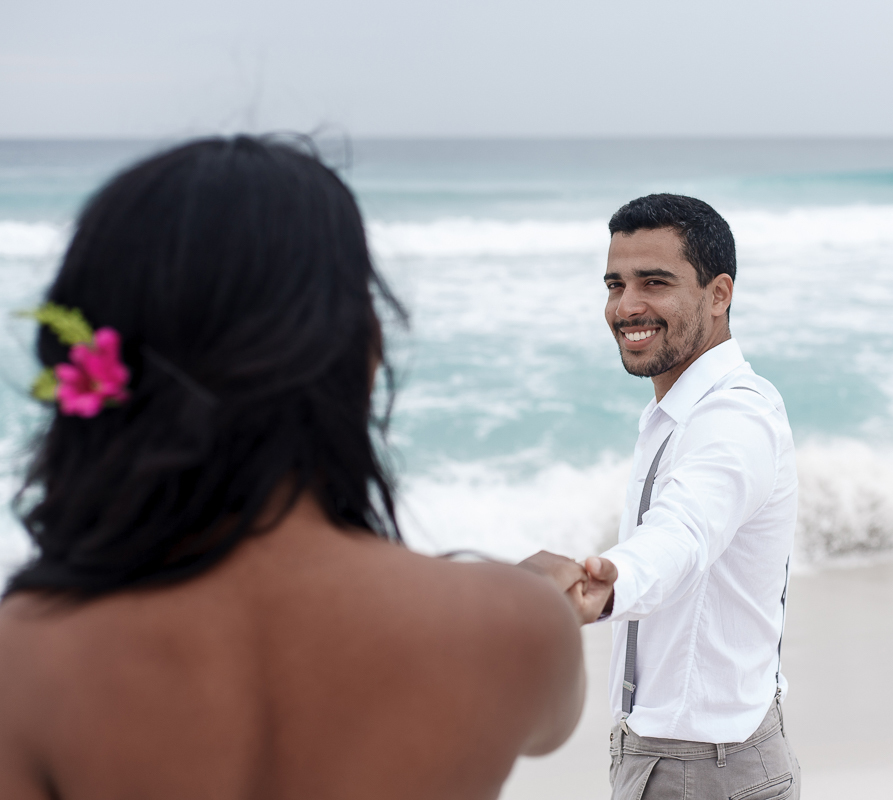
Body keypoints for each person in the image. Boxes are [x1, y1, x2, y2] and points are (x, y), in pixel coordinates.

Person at [0, 136, 611, 800]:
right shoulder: (511, 628)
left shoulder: (29, 661)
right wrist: (534, 596)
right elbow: (552, 719)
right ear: (366, 353)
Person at [548, 194, 801, 799]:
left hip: (707, 772)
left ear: (719, 294)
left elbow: (683, 534)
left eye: (654, 283)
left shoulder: (734, 420)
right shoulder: (678, 412)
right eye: (615, 284)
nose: (626, 306)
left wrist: (610, 583)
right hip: (681, 760)